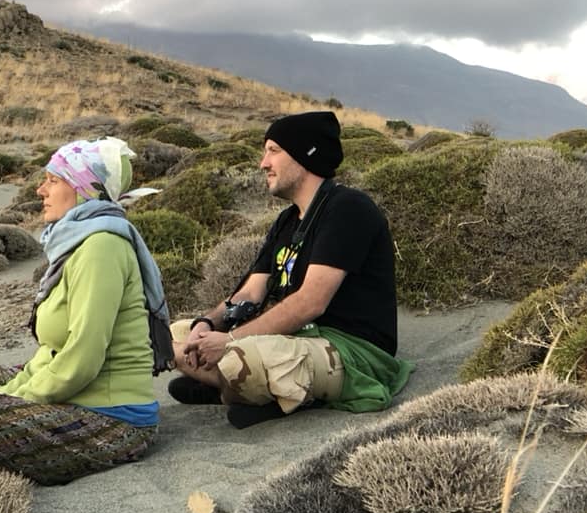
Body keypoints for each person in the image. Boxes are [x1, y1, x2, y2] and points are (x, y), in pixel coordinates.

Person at [0, 136, 173, 484]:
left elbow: (81, 361)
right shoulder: (76, 243)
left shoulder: (102, 248)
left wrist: (2, 405)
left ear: (84, 190)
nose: (41, 190)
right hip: (69, 398)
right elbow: (50, 355)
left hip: (112, 419)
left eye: (53, 180)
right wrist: (3, 399)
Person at [169, 111, 413, 428]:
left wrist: (228, 340)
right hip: (296, 338)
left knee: (241, 359)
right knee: (177, 333)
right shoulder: (287, 220)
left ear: (305, 154)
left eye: (274, 150)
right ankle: (242, 389)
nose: (263, 163)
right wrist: (206, 324)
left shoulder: (347, 209)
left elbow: (310, 303)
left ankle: (233, 386)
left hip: (351, 350)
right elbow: (250, 293)